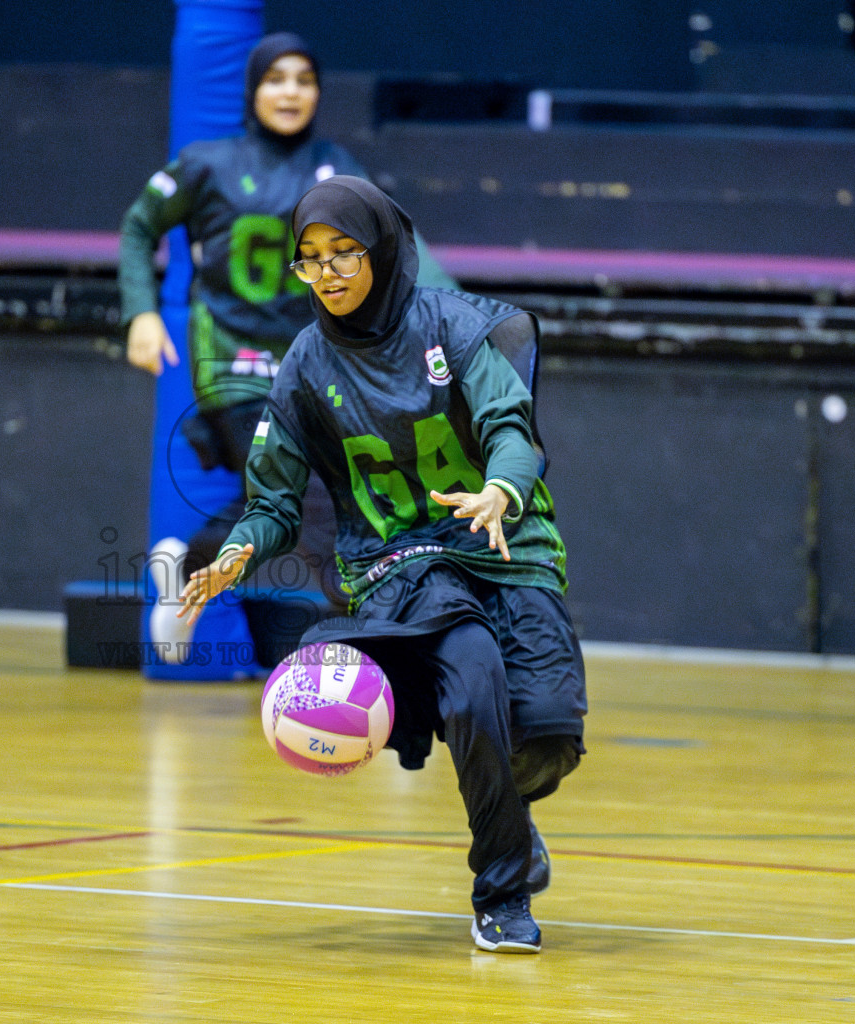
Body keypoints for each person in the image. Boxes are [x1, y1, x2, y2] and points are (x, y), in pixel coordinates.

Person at [179, 176, 588, 954]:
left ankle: (506, 805)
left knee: (546, 737)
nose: (326, 273)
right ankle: (501, 897)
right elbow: (273, 504)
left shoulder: (453, 324)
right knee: (471, 687)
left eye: (343, 253)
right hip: (400, 563)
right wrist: (237, 554)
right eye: (310, 259)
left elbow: (511, 426)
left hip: (506, 545)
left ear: (384, 250)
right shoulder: (303, 365)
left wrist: (501, 488)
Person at [118, 32, 454, 663]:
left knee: (303, 496)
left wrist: (461, 321)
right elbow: (139, 226)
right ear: (253, 90)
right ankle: (374, 657)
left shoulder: (336, 166)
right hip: (234, 365)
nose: (291, 91)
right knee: (314, 502)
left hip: (312, 368)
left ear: (319, 92)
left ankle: (187, 560)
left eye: (304, 79)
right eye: (277, 78)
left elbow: (400, 247)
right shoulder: (205, 162)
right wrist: (141, 312)